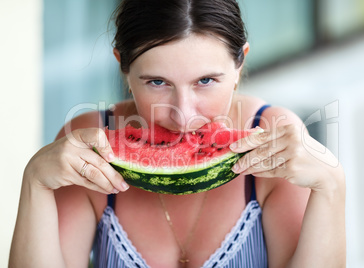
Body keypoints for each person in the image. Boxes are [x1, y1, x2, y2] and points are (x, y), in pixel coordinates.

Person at [9, 0, 346, 267]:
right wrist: (34, 181)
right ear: (123, 66)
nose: (184, 115)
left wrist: (332, 184)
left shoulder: (274, 140)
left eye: (206, 81)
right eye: (157, 82)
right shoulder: (89, 141)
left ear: (239, 64)